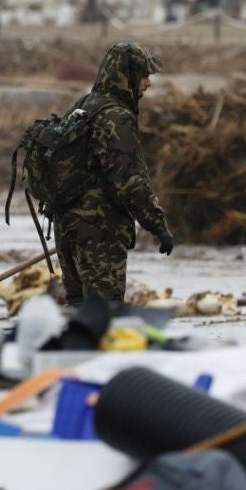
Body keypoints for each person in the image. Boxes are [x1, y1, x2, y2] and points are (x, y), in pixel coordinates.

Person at [51, 42, 175, 306]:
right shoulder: (116, 118)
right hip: (99, 232)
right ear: (126, 77)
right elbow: (130, 181)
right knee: (103, 314)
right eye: (144, 76)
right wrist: (158, 226)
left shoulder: (83, 106)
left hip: (67, 228)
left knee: (78, 310)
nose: (147, 84)